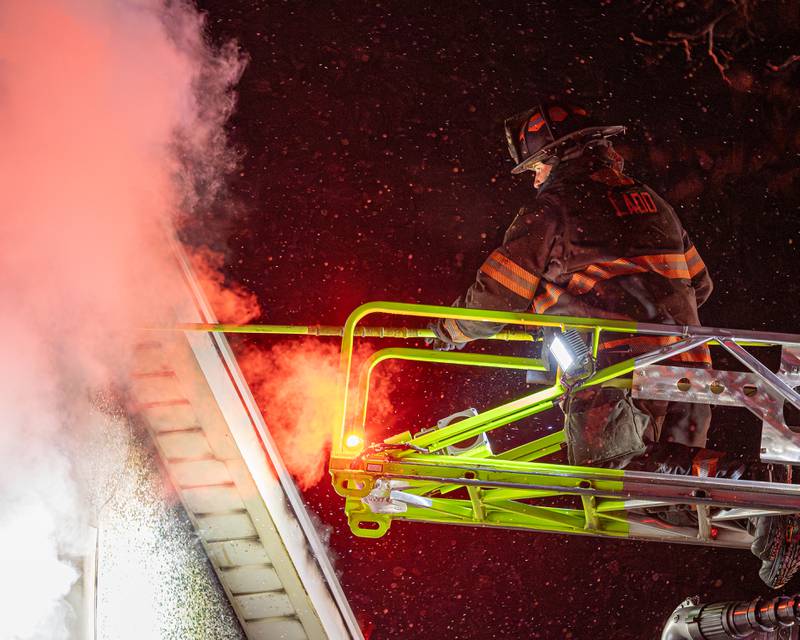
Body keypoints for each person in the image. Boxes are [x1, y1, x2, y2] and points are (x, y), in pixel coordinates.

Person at [428, 100, 799, 588]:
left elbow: (494, 297)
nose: (535, 178)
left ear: (556, 159)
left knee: (612, 468)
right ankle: (771, 518)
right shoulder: (652, 203)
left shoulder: (551, 209)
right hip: (691, 359)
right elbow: (701, 285)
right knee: (673, 489)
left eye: (536, 166)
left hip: (619, 364)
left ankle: (764, 492)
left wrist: (446, 333)